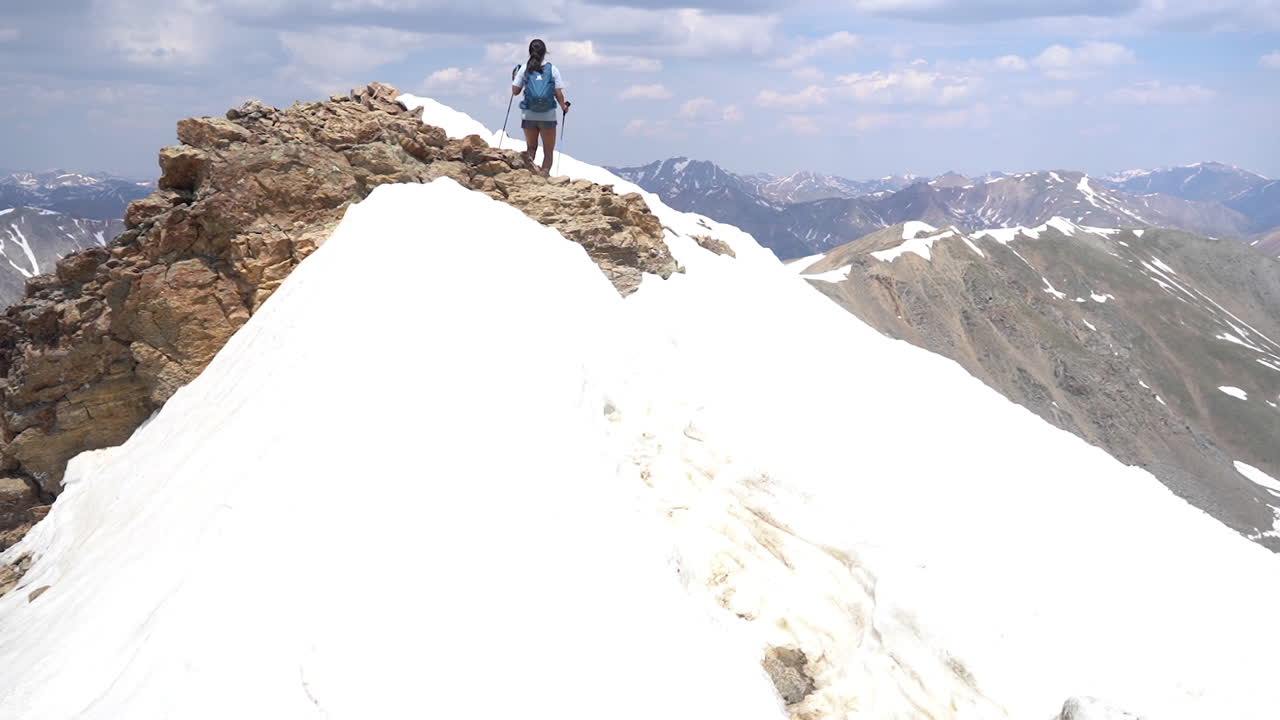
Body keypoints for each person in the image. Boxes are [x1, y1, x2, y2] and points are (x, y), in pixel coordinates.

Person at [511, 39, 570, 174]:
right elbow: (558, 93)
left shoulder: (525, 68)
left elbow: (515, 91)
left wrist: (515, 77)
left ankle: (527, 175)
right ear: (545, 52)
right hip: (548, 115)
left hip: (529, 114)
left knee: (531, 148)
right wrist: (563, 107)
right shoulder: (552, 69)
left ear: (530, 52)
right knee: (548, 152)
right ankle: (543, 177)